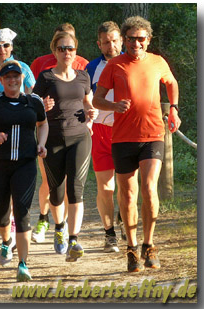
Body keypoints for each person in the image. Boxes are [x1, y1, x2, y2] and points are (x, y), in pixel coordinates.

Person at [93, 16, 181, 272]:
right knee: (129, 194)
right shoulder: (115, 65)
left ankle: (149, 245)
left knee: (149, 189)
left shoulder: (157, 62)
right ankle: (131, 249)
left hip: (153, 134)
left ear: (148, 40)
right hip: (122, 138)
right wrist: (114, 105)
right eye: (131, 39)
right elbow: (97, 100)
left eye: (141, 39)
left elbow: (172, 83)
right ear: (125, 40)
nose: (136, 43)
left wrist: (173, 109)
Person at [0, 60, 48, 282]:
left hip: (25, 164)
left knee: (23, 212)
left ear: (22, 78)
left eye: (17, 76)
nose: (13, 80)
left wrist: (41, 143)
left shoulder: (33, 102)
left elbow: (43, 124)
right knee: (2, 213)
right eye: (8, 77)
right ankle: (6, 242)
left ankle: (23, 263)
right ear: (1, 80)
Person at [33, 32, 98, 261]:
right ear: (55, 51)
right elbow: (32, 107)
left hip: (80, 136)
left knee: (76, 188)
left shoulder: (83, 76)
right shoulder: (46, 77)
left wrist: (91, 115)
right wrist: (42, 105)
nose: (67, 52)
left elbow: (88, 101)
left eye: (70, 48)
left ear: (75, 50)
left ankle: (74, 240)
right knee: (56, 191)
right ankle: (59, 228)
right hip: (53, 139)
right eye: (62, 48)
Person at [85, 21, 125, 253]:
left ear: (121, 40)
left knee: (125, 186)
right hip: (100, 130)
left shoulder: (132, 64)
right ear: (99, 44)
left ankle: (124, 221)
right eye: (106, 42)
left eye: (114, 40)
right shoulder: (91, 68)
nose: (111, 46)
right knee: (105, 186)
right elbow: (84, 97)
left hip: (125, 130)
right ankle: (109, 233)